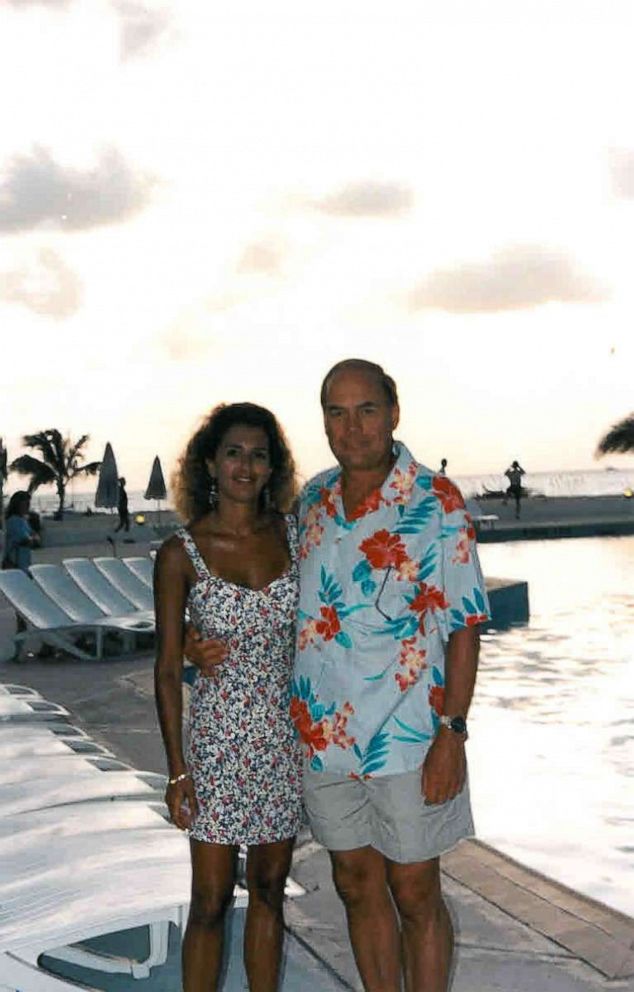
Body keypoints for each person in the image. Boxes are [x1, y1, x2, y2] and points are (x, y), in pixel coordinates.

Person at [188, 360, 491, 992]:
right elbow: (266, 590)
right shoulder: (314, 502)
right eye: (336, 412)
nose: (352, 428)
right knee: (355, 884)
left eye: (367, 410)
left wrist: (453, 734)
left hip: (410, 734)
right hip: (324, 740)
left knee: (414, 890)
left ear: (394, 413)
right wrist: (200, 635)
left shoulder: (437, 502)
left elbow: (464, 623)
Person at [153, 402, 303, 992]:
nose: (246, 465)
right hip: (216, 744)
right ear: (210, 464)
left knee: (269, 893)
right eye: (234, 453)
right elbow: (166, 670)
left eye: (258, 455)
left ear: (273, 468)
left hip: (283, 741)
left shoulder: (296, 536)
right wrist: (175, 771)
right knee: (209, 900)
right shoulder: (179, 554)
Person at [3, 491, 40, 572]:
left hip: (25, 562)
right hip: (15, 562)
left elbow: (33, 535)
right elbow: (25, 540)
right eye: (25, 504)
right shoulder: (13, 521)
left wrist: (33, 539)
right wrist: (32, 539)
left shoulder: (23, 520)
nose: (28, 506)